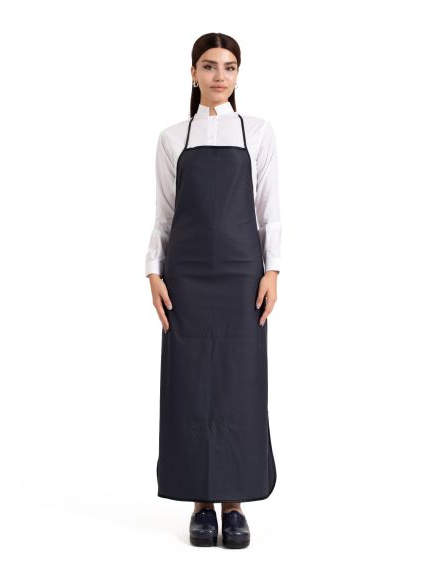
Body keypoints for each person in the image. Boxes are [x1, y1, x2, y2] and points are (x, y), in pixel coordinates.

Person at [145, 32, 281, 549]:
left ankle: (234, 502)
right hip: (186, 277)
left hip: (243, 275)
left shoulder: (258, 132)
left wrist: (273, 271)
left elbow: (269, 210)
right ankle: (201, 502)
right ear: (193, 73)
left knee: (240, 384)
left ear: (238, 74)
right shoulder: (172, 138)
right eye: (208, 66)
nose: (219, 75)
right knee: (189, 383)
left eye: (228, 67)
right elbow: (164, 214)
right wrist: (153, 273)